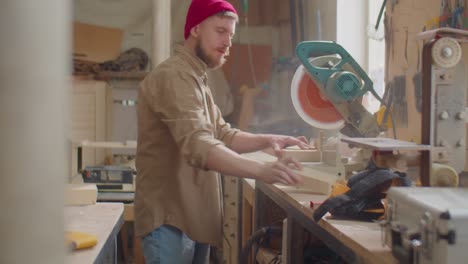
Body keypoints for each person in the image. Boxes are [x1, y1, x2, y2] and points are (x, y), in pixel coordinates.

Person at [135, 0, 311, 263]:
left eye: (231, 34)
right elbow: (199, 145)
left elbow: (223, 133)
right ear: (195, 29)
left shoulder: (197, 77)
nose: (228, 42)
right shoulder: (174, 76)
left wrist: (270, 139)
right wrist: (262, 171)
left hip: (191, 218)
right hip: (170, 221)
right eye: (220, 31)